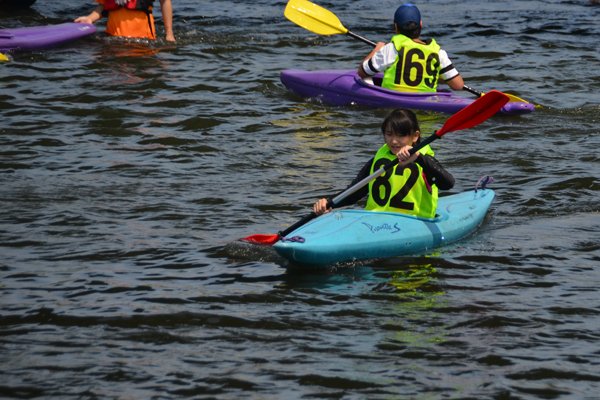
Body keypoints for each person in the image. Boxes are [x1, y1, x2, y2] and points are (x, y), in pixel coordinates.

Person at [313, 109, 454, 219]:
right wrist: (329, 203)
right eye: (389, 134)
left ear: (415, 136)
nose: (393, 141)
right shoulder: (378, 160)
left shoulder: (425, 160)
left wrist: (419, 158)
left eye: (401, 136)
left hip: (415, 222)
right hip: (377, 223)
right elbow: (355, 192)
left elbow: (448, 183)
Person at [358, 3, 463, 93]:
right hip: (426, 104)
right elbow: (458, 85)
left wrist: (377, 49)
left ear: (396, 27)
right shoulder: (438, 52)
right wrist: (438, 76)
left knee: (365, 79)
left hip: (395, 104)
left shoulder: (392, 48)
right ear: (421, 25)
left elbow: (362, 72)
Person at [75, 0, 175, 42]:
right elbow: (103, 5)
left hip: (143, 40)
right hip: (112, 38)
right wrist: (89, 18)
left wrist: (169, 33)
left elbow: (165, 1)